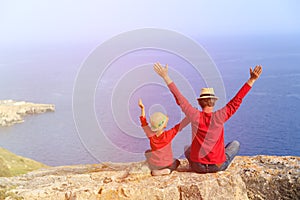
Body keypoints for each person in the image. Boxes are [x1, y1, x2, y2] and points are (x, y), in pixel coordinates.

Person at [154, 63, 262, 173]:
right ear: (214, 102)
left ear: (200, 102)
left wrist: (165, 76)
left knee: (187, 148)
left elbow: (179, 97)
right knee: (235, 144)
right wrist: (252, 80)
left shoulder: (194, 115)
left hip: (198, 167)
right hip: (217, 166)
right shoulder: (220, 116)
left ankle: (199, 161)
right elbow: (237, 100)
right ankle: (217, 156)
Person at [138, 98, 190, 176]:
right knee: (176, 162)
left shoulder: (150, 135)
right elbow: (180, 125)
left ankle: (155, 170)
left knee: (148, 152)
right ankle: (168, 170)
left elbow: (143, 123)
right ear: (164, 125)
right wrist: (190, 116)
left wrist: (142, 108)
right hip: (167, 164)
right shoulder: (169, 134)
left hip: (155, 165)